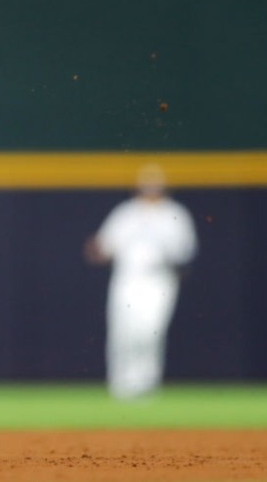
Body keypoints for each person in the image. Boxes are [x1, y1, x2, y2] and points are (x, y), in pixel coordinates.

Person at [83, 163, 198, 401]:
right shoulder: (126, 212)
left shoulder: (174, 214)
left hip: (159, 280)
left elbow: (185, 252)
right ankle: (120, 384)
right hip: (127, 278)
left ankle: (146, 382)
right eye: (147, 185)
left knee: (150, 332)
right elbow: (103, 247)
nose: (150, 189)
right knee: (122, 331)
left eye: (155, 185)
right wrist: (97, 249)